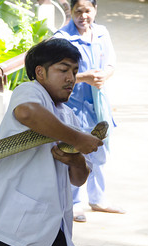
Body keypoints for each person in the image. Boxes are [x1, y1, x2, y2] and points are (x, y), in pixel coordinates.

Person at [0, 38, 104, 246]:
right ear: (40, 72)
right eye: (63, 70)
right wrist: (78, 140)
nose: (71, 78)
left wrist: (75, 159)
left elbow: (79, 179)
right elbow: (27, 113)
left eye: (75, 72)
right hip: (6, 233)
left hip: (52, 235)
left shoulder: (68, 116)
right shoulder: (30, 91)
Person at [54, 0, 124, 222]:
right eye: (78, 11)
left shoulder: (102, 32)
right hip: (73, 106)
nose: (83, 16)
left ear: (95, 10)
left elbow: (111, 63)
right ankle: (73, 203)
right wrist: (84, 78)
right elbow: (55, 73)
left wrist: (105, 75)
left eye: (88, 11)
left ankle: (98, 199)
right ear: (71, 11)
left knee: (100, 151)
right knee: (75, 153)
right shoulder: (61, 38)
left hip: (98, 105)